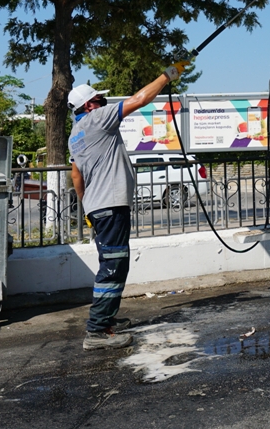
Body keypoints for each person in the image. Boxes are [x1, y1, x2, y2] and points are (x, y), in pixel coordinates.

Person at [69, 58, 190, 351]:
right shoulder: (98, 119)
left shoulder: (75, 135)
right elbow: (139, 99)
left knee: (111, 263)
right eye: (100, 99)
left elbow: (76, 175)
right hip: (111, 207)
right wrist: (168, 75)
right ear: (89, 106)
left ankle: (106, 319)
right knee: (113, 267)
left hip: (99, 209)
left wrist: (87, 208)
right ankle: (97, 330)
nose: (105, 102)